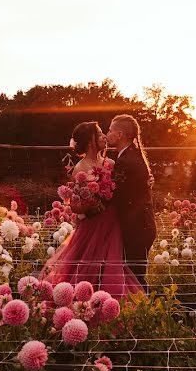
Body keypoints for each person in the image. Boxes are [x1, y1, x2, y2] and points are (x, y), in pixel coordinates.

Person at [40, 121, 143, 298]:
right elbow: (75, 204)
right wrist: (91, 203)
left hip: (112, 222)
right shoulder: (79, 169)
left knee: (112, 263)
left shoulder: (111, 163)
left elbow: (125, 186)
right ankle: (82, 301)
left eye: (105, 132)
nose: (104, 136)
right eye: (100, 133)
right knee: (87, 264)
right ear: (90, 141)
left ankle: (111, 302)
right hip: (93, 223)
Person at [106, 114, 157, 293]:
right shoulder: (132, 155)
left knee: (135, 276)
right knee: (135, 274)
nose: (107, 134)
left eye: (110, 130)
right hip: (141, 225)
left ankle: (146, 313)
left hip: (137, 228)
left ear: (120, 135)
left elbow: (116, 196)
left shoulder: (126, 161)